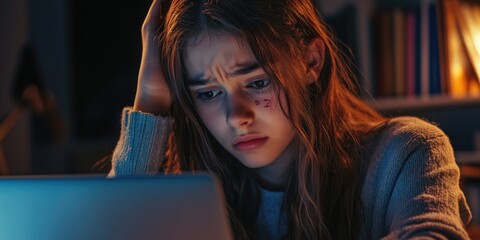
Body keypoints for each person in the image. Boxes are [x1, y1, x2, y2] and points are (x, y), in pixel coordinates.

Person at [106, 0, 472, 239]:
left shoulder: (406, 152)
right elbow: (106, 228)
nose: (237, 118)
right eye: (208, 93)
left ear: (311, 62)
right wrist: (151, 102)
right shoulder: (189, 191)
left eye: (257, 82)